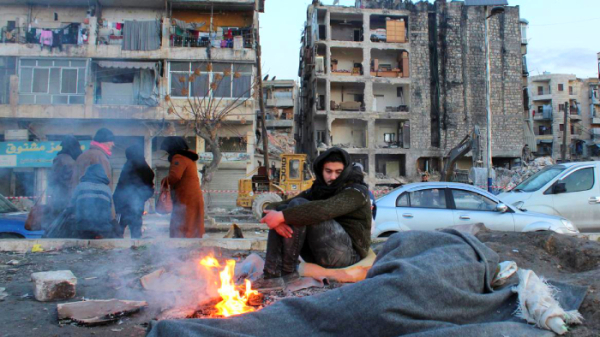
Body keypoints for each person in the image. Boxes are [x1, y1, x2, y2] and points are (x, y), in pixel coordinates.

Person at [256, 147, 372, 289]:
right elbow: (281, 204)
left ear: (346, 171)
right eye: (328, 171)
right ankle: (271, 276)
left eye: (338, 172)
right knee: (289, 207)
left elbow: (326, 209)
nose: (333, 177)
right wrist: (274, 219)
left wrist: (282, 217)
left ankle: (288, 273)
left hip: (349, 254)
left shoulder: (356, 191)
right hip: (321, 250)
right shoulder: (319, 189)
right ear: (321, 171)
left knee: (299, 208)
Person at [160, 136, 205, 238]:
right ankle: (193, 250)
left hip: (185, 199)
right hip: (192, 198)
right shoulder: (188, 159)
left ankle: (182, 250)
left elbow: (174, 176)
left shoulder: (179, 158)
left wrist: (164, 181)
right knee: (193, 227)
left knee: (182, 227)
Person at [113, 145, 155, 239]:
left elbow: (120, 186)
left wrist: (116, 201)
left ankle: (117, 250)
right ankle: (136, 249)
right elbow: (149, 188)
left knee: (118, 231)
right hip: (136, 206)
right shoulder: (144, 166)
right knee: (136, 232)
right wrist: (142, 197)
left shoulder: (128, 165)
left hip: (123, 205)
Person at [71, 164, 117, 239]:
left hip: (83, 228)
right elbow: (111, 214)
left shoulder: (80, 187)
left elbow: (72, 206)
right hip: (104, 228)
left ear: (87, 173)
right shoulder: (106, 189)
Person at [46, 135, 82, 222]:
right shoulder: (79, 160)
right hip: (76, 200)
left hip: (62, 199)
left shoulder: (61, 158)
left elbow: (52, 179)